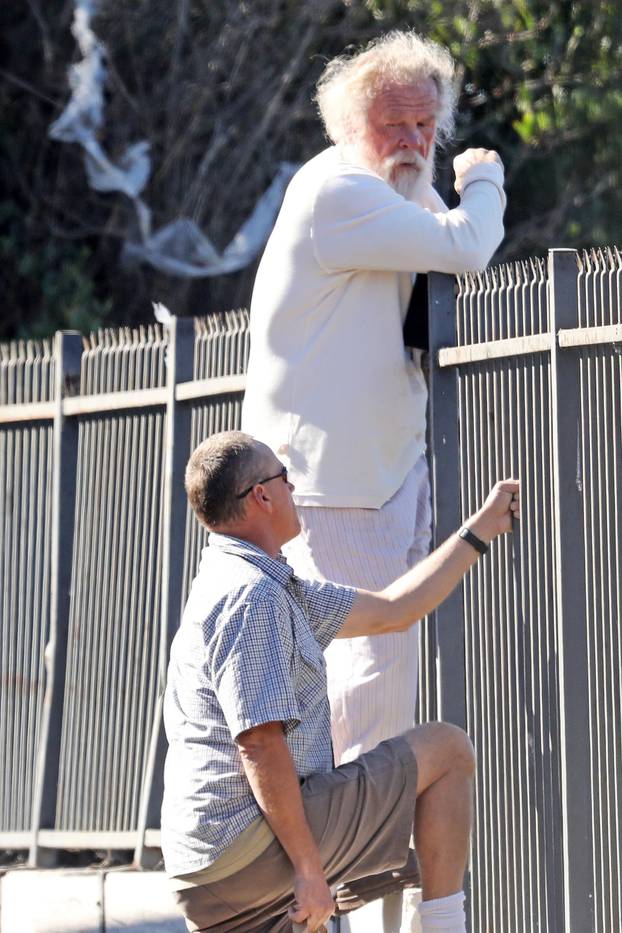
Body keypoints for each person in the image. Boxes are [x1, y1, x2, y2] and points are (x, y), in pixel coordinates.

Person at [241, 32, 506, 928]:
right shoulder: (339, 193)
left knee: (377, 677)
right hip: (331, 480)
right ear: (351, 124)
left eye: (427, 122)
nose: (413, 137)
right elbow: (469, 247)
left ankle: (375, 885)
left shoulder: (394, 186)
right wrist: (486, 176)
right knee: (361, 682)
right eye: (393, 121)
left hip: (382, 471)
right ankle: (355, 889)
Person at [161, 430, 519, 933]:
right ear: (261, 496)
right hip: (241, 849)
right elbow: (260, 744)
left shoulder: (261, 584)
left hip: (210, 866)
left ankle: (351, 877)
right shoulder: (251, 596)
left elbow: (395, 610)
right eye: (285, 479)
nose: (294, 490)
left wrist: (479, 531)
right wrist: (309, 872)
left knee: (405, 842)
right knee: (446, 750)